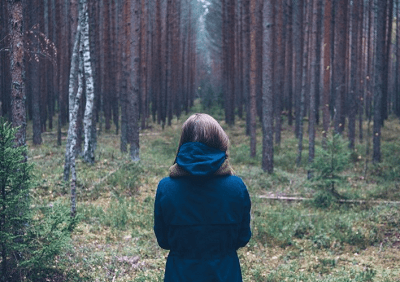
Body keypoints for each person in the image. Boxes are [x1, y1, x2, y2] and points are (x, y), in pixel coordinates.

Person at [154, 113, 252, 282]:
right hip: (226, 274)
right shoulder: (236, 187)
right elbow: (243, 238)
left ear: (183, 142)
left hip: (179, 275)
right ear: (220, 142)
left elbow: (163, 241)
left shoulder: (166, 187)